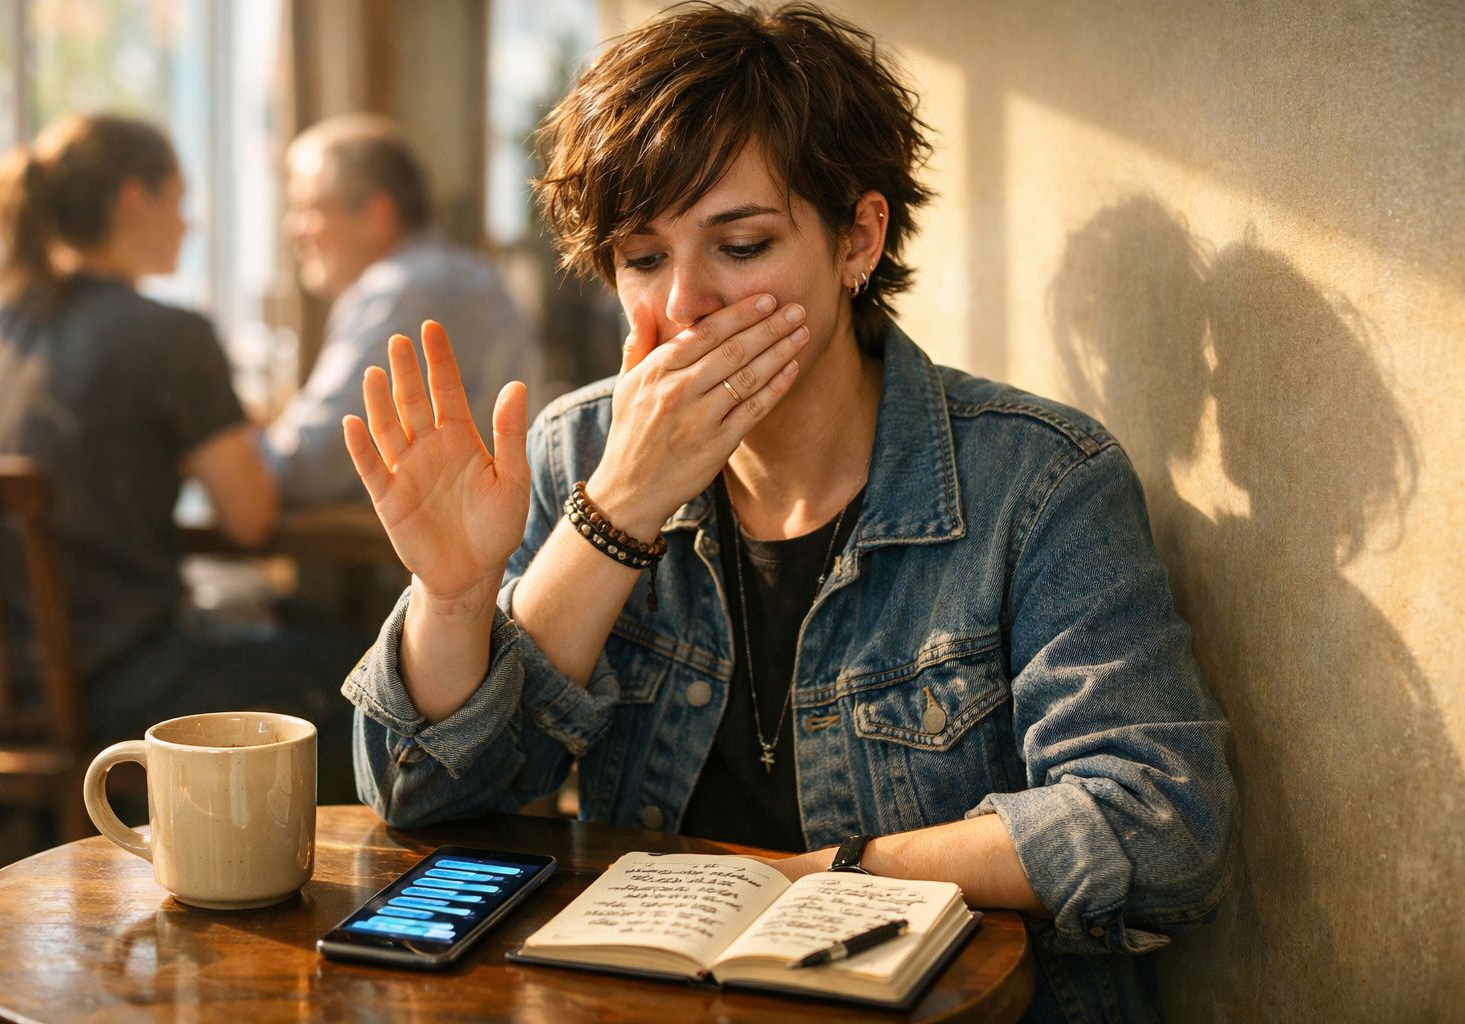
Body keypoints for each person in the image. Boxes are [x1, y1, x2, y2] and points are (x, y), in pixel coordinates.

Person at [337, 5, 1236, 1022]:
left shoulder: (1037, 480)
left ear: (859, 236)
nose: (684, 305)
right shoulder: (577, 454)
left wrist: (840, 869)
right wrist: (466, 593)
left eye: (744, 243)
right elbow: (423, 801)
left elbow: (1160, 819)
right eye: (642, 258)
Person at [0, 114, 357, 797]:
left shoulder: (2, 326)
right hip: (119, 683)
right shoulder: (171, 335)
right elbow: (251, 520)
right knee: (365, 673)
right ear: (133, 201)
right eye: (179, 200)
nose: (189, 224)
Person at [265, 114, 542, 505]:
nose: (294, 229)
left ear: (376, 216)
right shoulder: (477, 276)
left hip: (431, 557)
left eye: (310, 207)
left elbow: (309, 464)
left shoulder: (396, 291)